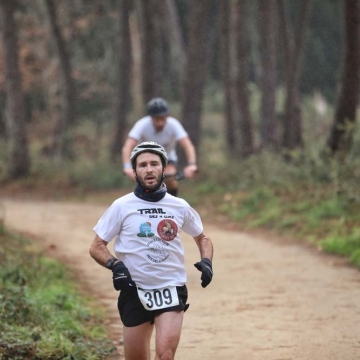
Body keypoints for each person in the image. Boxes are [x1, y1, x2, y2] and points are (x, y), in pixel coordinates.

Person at [89, 141, 214, 360]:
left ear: (164, 169)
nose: (149, 169)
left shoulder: (179, 206)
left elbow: (202, 237)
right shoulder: (121, 206)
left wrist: (207, 261)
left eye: (154, 163)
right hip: (134, 290)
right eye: (143, 165)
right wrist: (115, 265)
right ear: (135, 171)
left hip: (171, 287)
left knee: (165, 355)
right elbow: (96, 246)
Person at [122, 97, 198, 197]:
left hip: (167, 158)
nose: (160, 123)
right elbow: (128, 146)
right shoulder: (142, 125)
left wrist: (191, 164)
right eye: (156, 119)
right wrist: (127, 167)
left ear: (167, 117)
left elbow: (187, 145)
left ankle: (172, 202)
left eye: (162, 118)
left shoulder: (174, 124)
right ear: (151, 118)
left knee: (169, 179)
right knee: (145, 182)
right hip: (145, 157)